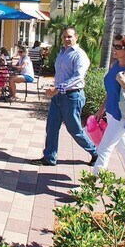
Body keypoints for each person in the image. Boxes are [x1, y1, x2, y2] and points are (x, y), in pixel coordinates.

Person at [32, 27, 97, 166]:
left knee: (74, 129)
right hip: (58, 96)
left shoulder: (80, 55)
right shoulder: (62, 53)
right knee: (52, 126)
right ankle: (49, 157)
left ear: (76, 37)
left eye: (69, 37)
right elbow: (60, 74)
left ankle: (95, 152)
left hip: (72, 96)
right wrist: (54, 86)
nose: (66, 39)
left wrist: (58, 88)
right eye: (64, 37)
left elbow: (78, 77)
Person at [91, 35, 125, 177]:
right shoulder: (115, 65)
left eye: (118, 47)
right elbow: (111, 91)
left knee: (104, 149)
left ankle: (91, 186)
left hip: (121, 116)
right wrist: (101, 109)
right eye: (113, 45)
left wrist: (124, 83)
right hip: (111, 112)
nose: (114, 50)